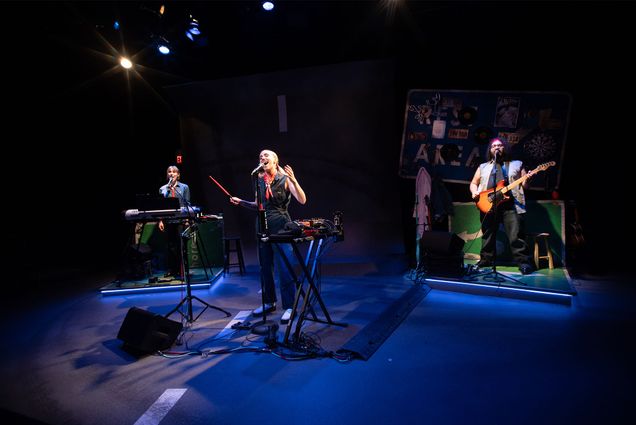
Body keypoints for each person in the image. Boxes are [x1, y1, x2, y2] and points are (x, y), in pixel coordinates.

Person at [230, 149, 307, 324]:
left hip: (281, 225)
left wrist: (294, 180)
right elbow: (258, 204)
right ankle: (269, 302)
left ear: (275, 161)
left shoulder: (284, 179)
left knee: (285, 267)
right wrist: (241, 201)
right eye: (260, 156)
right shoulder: (259, 179)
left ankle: (289, 306)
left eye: (266, 155)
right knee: (265, 266)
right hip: (262, 225)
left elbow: (302, 200)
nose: (262, 157)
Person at [469, 138, 534, 275]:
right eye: (494, 146)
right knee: (487, 234)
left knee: (516, 234)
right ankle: (486, 259)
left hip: (511, 205)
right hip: (489, 204)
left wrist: (527, 179)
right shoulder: (483, 167)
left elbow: (525, 186)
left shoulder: (517, 164)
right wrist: (474, 192)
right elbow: (474, 183)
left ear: (505, 148)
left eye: (500, 145)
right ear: (490, 150)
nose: (497, 147)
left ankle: (523, 262)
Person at [158, 165, 191, 279]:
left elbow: (187, 203)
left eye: (174, 172)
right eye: (169, 172)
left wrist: (187, 219)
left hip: (181, 220)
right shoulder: (163, 189)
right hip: (168, 220)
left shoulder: (184, 187)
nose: (171, 174)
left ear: (178, 175)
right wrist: (161, 220)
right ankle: (172, 270)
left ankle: (183, 270)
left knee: (181, 246)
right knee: (170, 246)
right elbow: (161, 207)